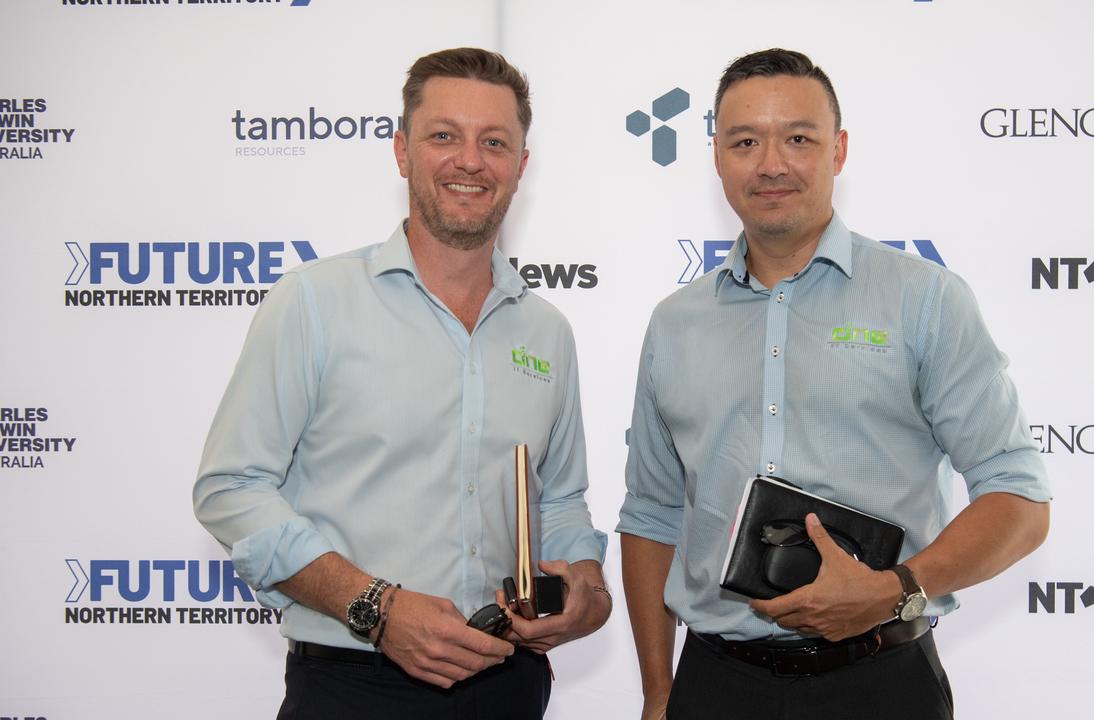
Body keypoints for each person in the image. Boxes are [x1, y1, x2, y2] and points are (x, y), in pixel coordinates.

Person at [617, 48, 1051, 720]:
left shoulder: (923, 299)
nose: (771, 163)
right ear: (717, 155)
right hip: (715, 685)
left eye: (798, 138)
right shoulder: (675, 324)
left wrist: (896, 586)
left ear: (838, 150)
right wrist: (656, 692)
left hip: (880, 682)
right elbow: (650, 515)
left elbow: (1019, 497)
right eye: (744, 141)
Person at [194, 47, 610, 720]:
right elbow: (230, 488)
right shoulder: (313, 302)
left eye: (494, 142)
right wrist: (376, 607)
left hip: (510, 686)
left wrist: (585, 587)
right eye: (444, 135)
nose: (470, 161)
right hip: (352, 688)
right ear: (401, 150)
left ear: (521, 166)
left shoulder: (546, 331)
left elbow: (558, 499)